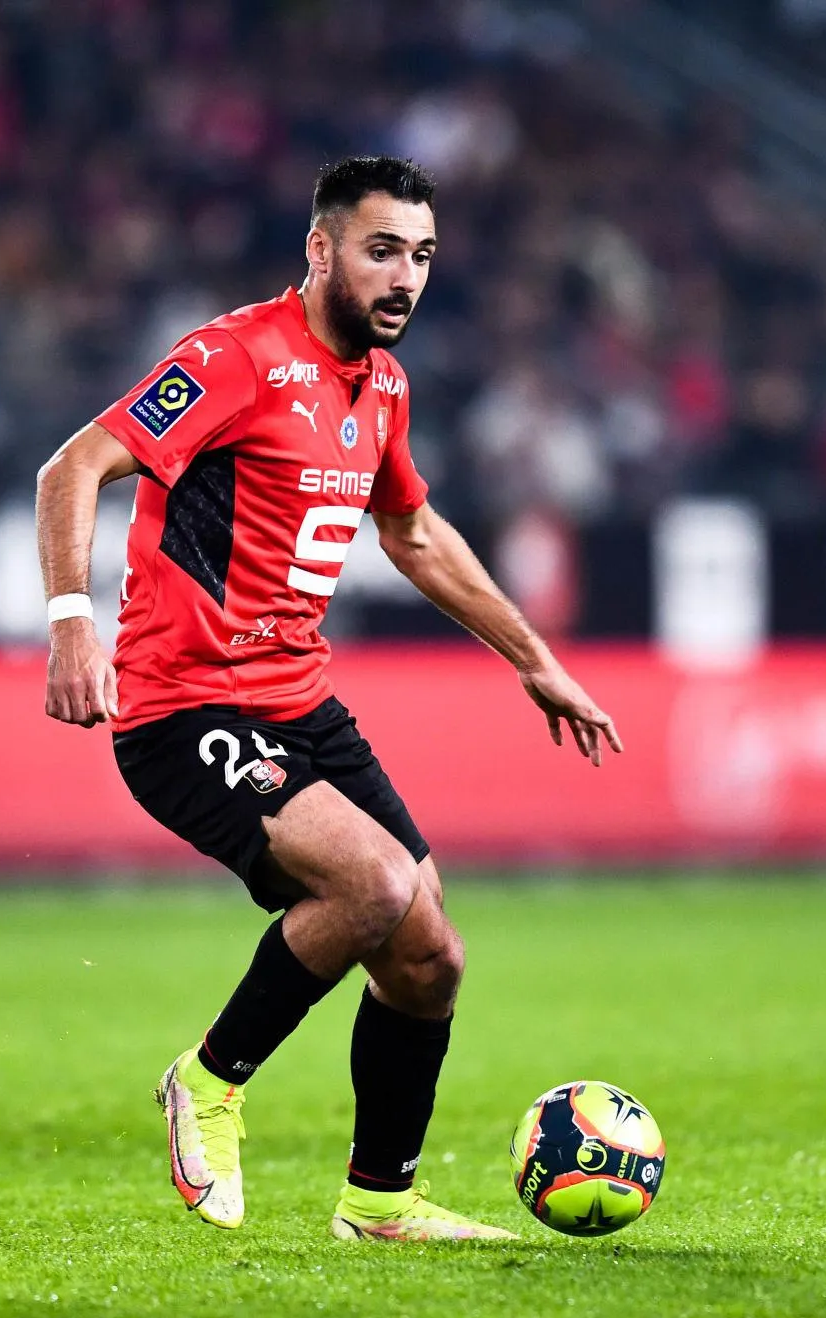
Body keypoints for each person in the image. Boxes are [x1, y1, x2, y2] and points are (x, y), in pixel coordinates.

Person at [34, 157, 621, 1242]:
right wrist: (71, 619)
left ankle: (378, 1203)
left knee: (429, 950)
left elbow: (410, 532)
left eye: (422, 257)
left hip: (298, 706)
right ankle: (205, 1080)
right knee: (375, 885)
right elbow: (71, 468)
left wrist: (532, 657)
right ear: (320, 250)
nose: (405, 278)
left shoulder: (383, 387)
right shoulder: (232, 357)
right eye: (381, 250)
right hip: (182, 708)